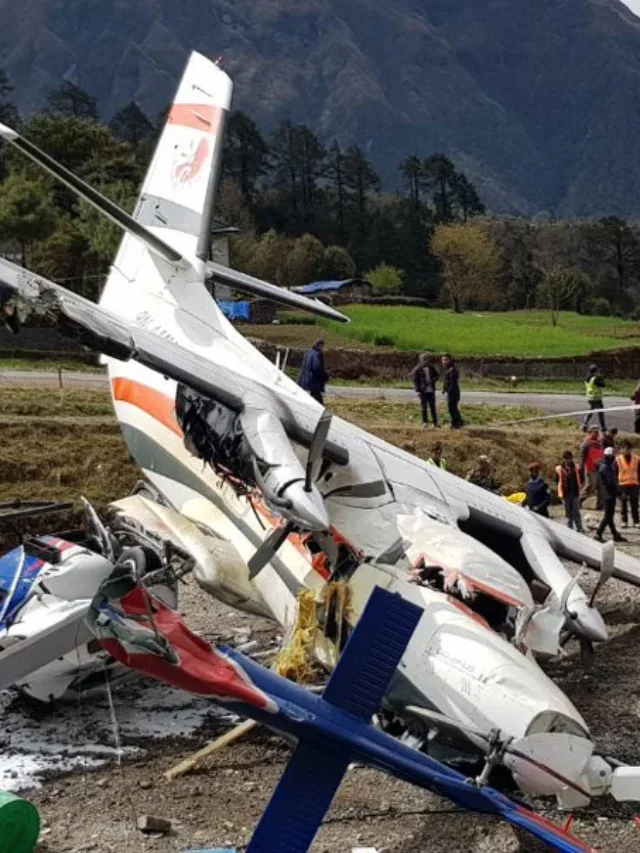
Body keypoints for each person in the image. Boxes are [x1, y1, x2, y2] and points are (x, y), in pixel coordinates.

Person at [595, 447, 625, 543]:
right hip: (608, 494)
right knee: (608, 516)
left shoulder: (606, 465)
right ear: (610, 455)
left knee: (609, 515)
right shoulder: (606, 467)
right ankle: (598, 533)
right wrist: (620, 492)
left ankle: (615, 534)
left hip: (607, 493)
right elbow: (611, 482)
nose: (615, 456)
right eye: (613, 454)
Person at [554, 450, 583, 532]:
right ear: (563, 459)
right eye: (566, 458)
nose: (568, 460)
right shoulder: (559, 469)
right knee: (568, 513)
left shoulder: (576, 467)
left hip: (575, 493)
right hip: (565, 494)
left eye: (569, 458)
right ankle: (569, 529)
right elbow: (556, 480)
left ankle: (579, 528)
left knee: (576, 512)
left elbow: (581, 478)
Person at [410, 353, 439, 428]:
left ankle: (435, 422)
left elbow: (437, 376)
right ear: (420, 360)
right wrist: (418, 391)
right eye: (423, 360)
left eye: (426, 359)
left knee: (433, 407)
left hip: (431, 390)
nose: (425, 361)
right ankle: (424, 422)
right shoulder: (418, 369)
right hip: (423, 391)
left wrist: (432, 381)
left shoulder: (431, 368)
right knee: (424, 407)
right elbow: (415, 381)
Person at [298, 338, 329, 404]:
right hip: (313, 383)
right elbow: (317, 368)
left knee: (309, 399)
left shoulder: (308, 353)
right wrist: (325, 376)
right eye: (323, 346)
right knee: (318, 401)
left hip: (304, 381)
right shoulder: (317, 354)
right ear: (320, 345)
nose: (323, 348)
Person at [617, 440, 640, 528]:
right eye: (625, 448)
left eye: (628, 449)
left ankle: (636, 521)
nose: (627, 450)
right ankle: (624, 521)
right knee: (623, 504)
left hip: (634, 484)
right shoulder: (618, 460)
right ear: (621, 450)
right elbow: (615, 473)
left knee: (634, 504)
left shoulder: (636, 459)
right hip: (622, 485)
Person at [580, 426, 604, 510]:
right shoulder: (586, 443)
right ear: (590, 432)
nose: (597, 433)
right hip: (591, 468)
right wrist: (582, 468)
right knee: (590, 486)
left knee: (601, 487)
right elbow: (583, 457)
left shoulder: (599, 442)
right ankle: (579, 501)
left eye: (597, 431)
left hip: (600, 467)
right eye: (595, 431)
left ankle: (600, 505)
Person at [442, 353, 464, 429]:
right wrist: (444, 389)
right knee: (453, 408)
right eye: (442, 360)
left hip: (453, 393)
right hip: (451, 392)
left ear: (450, 360)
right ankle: (458, 422)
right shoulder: (450, 369)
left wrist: (449, 391)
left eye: (445, 360)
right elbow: (447, 381)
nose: (443, 361)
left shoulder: (452, 370)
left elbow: (453, 383)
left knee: (452, 408)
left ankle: (456, 423)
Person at [582, 364, 606, 432]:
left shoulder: (587, 378)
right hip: (596, 398)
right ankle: (603, 427)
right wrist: (601, 377)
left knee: (591, 411)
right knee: (600, 412)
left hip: (590, 397)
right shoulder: (595, 379)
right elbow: (603, 385)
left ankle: (585, 423)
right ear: (595, 371)